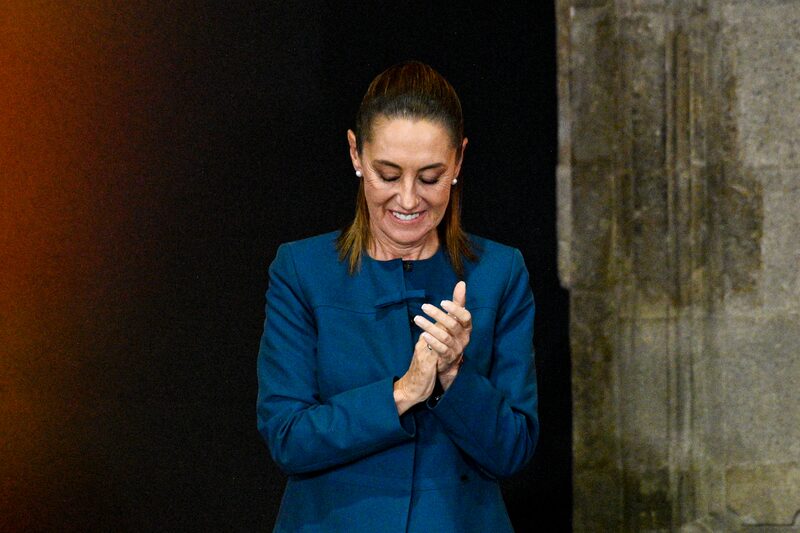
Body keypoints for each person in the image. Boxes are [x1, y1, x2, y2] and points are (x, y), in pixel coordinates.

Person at [257, 60, 538, 532]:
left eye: (430, 178)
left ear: (459, 162)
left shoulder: (499, 273)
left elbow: (512, 450)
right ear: (355, 154)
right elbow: (288, 437)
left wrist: (453, 373)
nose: (408, 200)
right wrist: (404, 392)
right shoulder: (302, 271)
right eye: (388, 174)